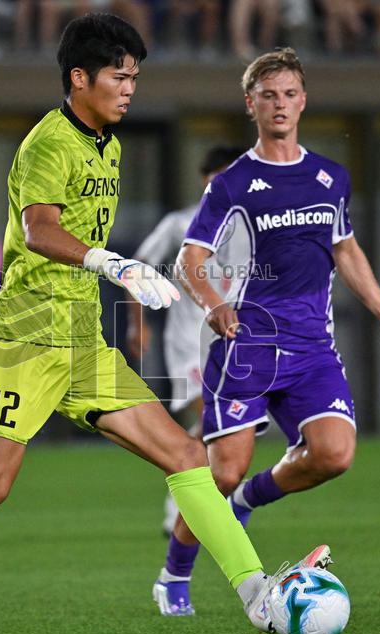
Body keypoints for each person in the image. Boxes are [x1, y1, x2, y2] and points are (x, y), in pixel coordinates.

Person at [0, 13, 324, 634]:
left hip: (81, 342)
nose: (130, 88)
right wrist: (114, 264)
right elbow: (39, 229)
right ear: (79, 78)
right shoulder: (48, 143)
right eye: (118, 76)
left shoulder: (110, 142)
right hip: (22, 339)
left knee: (186, 455)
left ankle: (257, 593)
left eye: (135, 77)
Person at [152, 47, 380, 617]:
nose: (280, 104)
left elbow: (344, 248)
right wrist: (215, 304)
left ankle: (251, 499)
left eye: (290, 93)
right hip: (245, 348)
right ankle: (173, 575)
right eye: (268, 95)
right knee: (219, 473)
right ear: (251, 105)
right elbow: (189, 259)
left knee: (334, 454)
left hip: (311, 349)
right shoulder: (233, 183)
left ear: (303, 101)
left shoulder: (330, 176)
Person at [125, 144, 243, 536]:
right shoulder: (181, 223)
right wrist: (137, 324)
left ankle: (188, 500)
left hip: (233, 341)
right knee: (210, 417)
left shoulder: (251, 226)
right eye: (216, 180)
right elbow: (138, 266)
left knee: (218, 424)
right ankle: (188, 508)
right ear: (203, 181)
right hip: (188, 342)